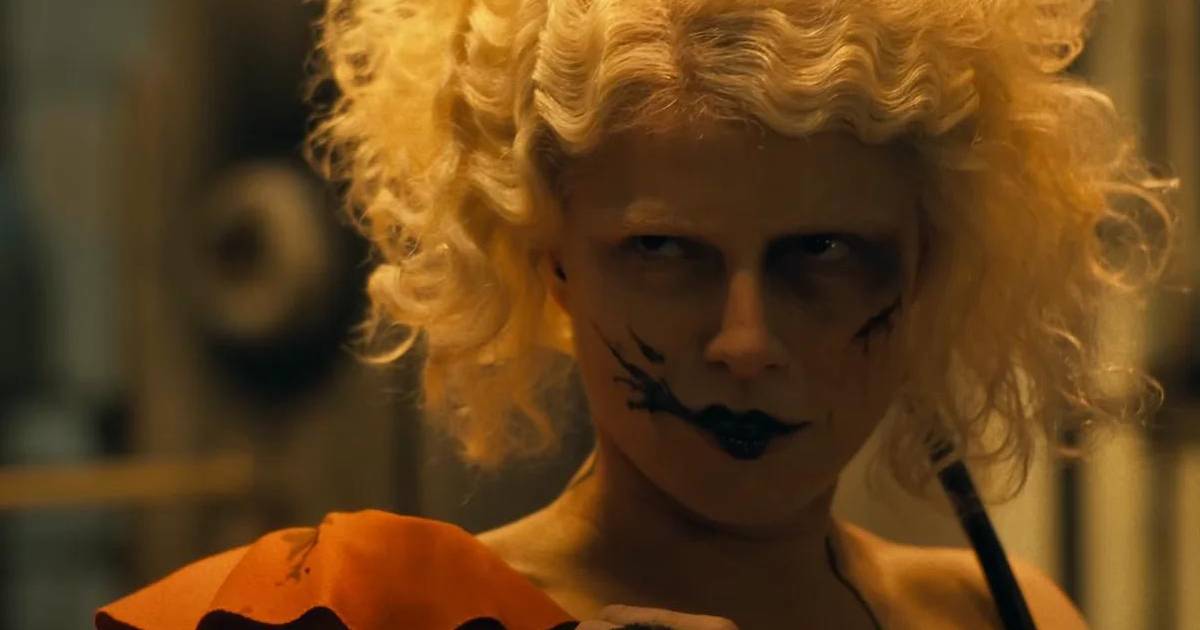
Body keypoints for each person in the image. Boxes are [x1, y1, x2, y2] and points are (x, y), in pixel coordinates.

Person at [96, 0, 1177, 628]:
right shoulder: (360, 613)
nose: (745, 342)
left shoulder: (997, 613)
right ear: (546, 256)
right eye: (664, 252)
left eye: (823, 254)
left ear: (932, 261)